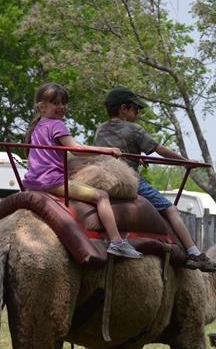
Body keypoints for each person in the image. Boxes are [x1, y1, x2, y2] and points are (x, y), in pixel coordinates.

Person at [93, 86, 216, 272]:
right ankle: (193, 252)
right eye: (136, 109)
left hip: (100, 177)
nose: (138, 113)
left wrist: (137, 156)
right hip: (127, 178)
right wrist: (186, 162)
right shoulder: (134, 129)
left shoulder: (101, 129)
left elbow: (115, 149)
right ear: (123, 109)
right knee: (170, 209)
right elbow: (161, 151)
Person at [23, 83, 142, 259]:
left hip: (31, 182)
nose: (62, 107)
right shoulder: (57, 125)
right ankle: (117, 242)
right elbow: (76, 150)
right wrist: (106, 151)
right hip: (52, 182)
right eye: (56, 103)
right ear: (42, 107)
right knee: (102, 196)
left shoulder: (37, 126)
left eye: (64, 103)